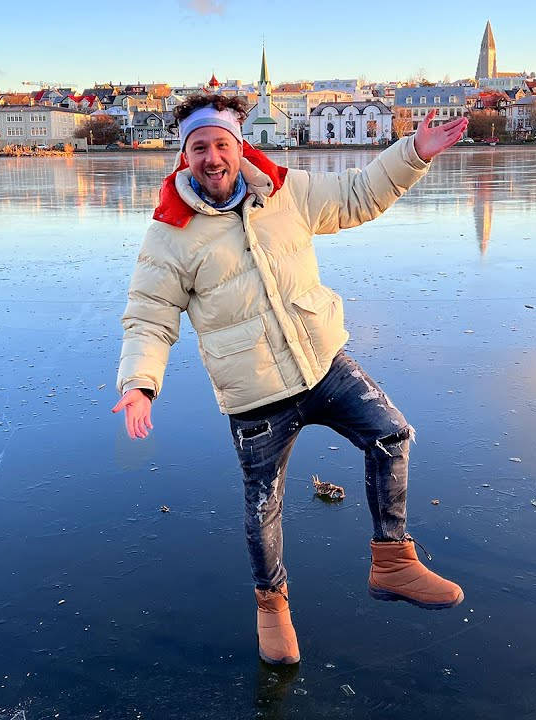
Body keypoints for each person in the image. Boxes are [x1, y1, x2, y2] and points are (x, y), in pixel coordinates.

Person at [112, 94, 468, 665]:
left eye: (220, 143)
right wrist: (140, 383)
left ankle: (393, 562)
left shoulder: (286, 192)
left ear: (239, 146)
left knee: (391, 434)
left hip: (321, 361)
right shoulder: (169, 233)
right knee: (263, 503)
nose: (211, 156)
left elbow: (357, 195)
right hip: (254, 393)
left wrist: (414, 153)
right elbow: (149, 313)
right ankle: (272, 608)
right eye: (198, 147)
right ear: (184, 157)